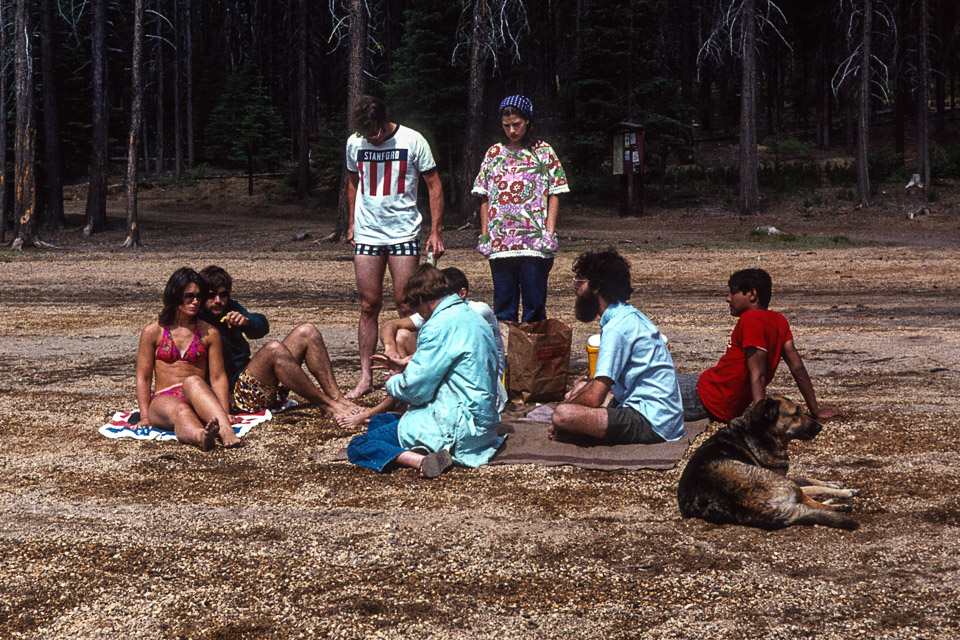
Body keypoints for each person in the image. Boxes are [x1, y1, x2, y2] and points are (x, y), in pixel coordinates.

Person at [346, 265, 504, 478]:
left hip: (459, 428)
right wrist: (408, 368)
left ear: (422, 300)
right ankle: (420, 446)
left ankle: (421, 460)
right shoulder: (474, 317)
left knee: (360, 444)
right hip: (484, 426)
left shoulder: (438, 325)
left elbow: (415, 391)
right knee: (379, 422)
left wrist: (394, 381)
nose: (417, 313)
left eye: (415, 307)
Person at [344, 95, 445, 399]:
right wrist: (351, 222)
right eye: (366, 133)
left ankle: (407, 369)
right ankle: (365, 377)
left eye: (375, 131)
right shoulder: (355, 143)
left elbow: (434, 184)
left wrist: (436, 230)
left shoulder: (412, 140)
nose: (371, 138)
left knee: (406, 304)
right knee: (368, 305)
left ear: (384, 120)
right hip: (368, 233)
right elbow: (352, 181)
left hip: (403, 232)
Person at [549, 249, 685, 445]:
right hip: (656, 413)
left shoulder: (617, 328)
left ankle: (573, 431)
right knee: (578, 389)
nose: (575, 287)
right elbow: (601, 383)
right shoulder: (625, 315)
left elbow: (595, 397)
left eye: (580, 281)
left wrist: (565, 410)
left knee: (563, 414)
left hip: (652, 421)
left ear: (596, 287)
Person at [679, 268, 842, 424]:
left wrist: (759, 423)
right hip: (707, 385)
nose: (728, 298)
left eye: (733, 292)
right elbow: (797, 368)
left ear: (752, 294)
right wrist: (815, 410)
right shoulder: (779, 321)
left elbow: (758, 373)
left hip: (704, 397)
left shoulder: (751, 319)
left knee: (655, 380)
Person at [198, 265, 360, 420]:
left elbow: (263, 327)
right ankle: (327, 405)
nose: (218, 300)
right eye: (211, 295)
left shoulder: (231, 307)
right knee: (273, 349)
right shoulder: (198, 320)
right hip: (238, 396)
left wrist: (247, 321)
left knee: (307, 331)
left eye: (223, 295)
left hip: (257, 383)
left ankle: (337, 397)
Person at [472, 94, 569, 323]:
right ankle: (506, 356)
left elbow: (556, 191)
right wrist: (486, 234)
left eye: (516, 124)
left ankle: (532, 356)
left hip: (534, 242)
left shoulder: (543, 152)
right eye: (506, 126)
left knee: (534, 305)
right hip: (501, 242)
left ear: (528, 121)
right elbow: (483, 195)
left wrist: (549, 232)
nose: (512, 131)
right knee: (504, 306)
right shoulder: (493, 154)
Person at [135, 267, 237, 450]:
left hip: (195, 394)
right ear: (175, 296)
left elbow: (218, 377)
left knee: (193, 381)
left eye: (199, 297)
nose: (195, 302)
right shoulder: (154, 331)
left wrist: (225, 411)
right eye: (189, 296)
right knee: (181, 410)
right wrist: (144, 416)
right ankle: (201, 436)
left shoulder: (209, 332)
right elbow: (143, 377)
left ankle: (225, 431)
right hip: (164, 399)